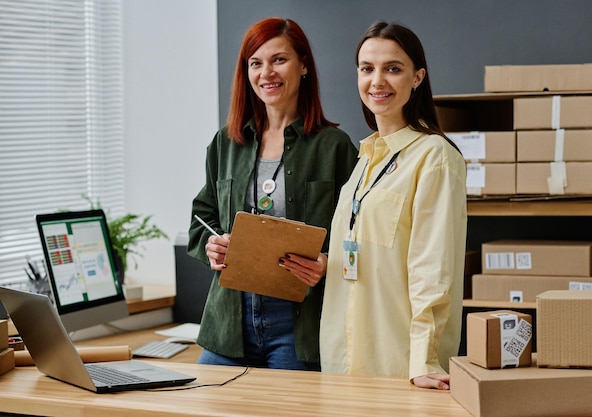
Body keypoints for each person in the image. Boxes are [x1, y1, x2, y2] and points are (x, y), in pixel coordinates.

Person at [187, 17, 358, 371]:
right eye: (256, 63)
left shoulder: (335, 147)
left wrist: (327, 263)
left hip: (299, 326)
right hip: (228, 320)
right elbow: (201, 219)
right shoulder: (226, 143)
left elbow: (360, 236)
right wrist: (211, 245)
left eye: (279, 59)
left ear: (304, 65)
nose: (267, 72)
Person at [316, 21, 467, 390]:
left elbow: (433, 268)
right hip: (341, 360)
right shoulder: (365, 160)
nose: (377, 81)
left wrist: (425, 361)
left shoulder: (435, 157)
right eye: (367, 69)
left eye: (393, 69)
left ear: (417, 78)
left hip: (400, 366)